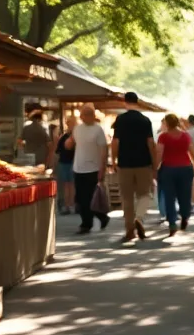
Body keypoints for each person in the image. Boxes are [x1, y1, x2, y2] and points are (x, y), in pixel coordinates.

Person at [110, 92, 156, 242]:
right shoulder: (145, 120)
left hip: (125, 164)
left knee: (127, 198)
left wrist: (114, 160)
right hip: (143, 163)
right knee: (144, 194)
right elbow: (150, 142)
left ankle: (130, 230)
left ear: (125, 102)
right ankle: (140, 217)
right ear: (137, 102)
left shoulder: (120, 120)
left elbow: (115, 142)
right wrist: (154, 163)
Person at [68, 105, 110, 234]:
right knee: (81, 198)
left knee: (91, 198)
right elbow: (70, 143)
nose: (83, 117)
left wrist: (102, 168)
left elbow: (104, 150)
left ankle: (88, 223)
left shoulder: (98, 130)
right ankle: (94, 220)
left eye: (86, 114)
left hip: (93, 168)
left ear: (92, 116)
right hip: (78, 168)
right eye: (82, 114)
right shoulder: (77, 129)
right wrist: (67, 142)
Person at [155, 113, 194, 236]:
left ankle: (172, 222)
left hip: (168, 169)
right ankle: (185, 217)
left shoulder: (163, 137)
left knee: (169, 197)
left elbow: (159, 153)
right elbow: (192, 151)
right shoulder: (185, 136)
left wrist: (155, 168)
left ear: (167, 123)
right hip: (185, 168)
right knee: (185, 195)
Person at [49, 113, 77, 214]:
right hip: (66, 162)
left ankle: (70, 205)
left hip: (71, 162)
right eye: (69, 123)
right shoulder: (65, 136)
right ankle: (68, 205)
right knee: (68, 185)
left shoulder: (71, 136)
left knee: (70, 185)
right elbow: (58, 150)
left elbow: (58, 150)